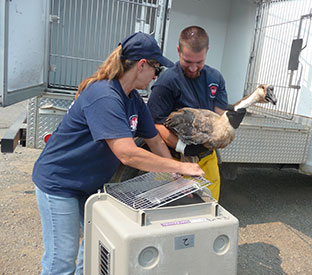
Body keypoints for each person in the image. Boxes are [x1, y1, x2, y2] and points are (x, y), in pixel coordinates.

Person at [32, 32, 204, 275]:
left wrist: (178, 181)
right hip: (60, 182)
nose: (156, 76)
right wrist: (181, 167)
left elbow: (154, 140)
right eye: (156, 69)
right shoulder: (104, 95)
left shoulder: (133, 99)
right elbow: (127, 154)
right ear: (142, 65)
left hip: (89, 184)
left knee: (94, 246)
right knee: (61, 260)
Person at [148, 26, 243, 201]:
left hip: (207, 158)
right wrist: (183, 147)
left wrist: (231, 119)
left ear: (207, 51)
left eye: (199, 62)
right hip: (174, 159)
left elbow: (219, 116)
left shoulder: (215, 78)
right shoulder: (167, 82)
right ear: (178, 51)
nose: (192, 68)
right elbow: (155, 124)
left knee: (208, 208)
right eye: (187, 61)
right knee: (171, 215)